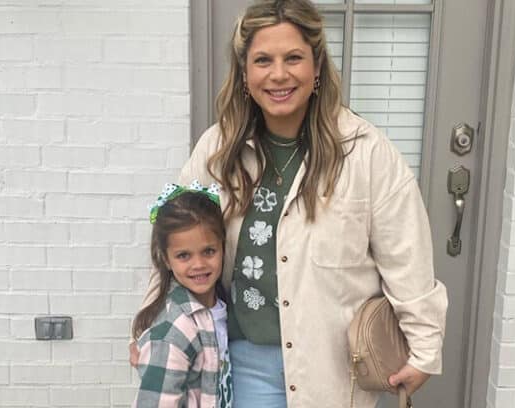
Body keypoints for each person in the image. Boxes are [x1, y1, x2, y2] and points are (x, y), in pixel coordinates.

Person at [133, 0, 448, 406]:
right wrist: (147, 324)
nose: (278, 74)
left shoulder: (366, 153)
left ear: (316, 67)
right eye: (263, 60)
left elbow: (408, 257)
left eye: (293, 58)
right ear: (245, 72)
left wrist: (424, 348)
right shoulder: (218, 148)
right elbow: (174, 237)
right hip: (244, 362)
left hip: (333, 367)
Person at [131, 183, 233, 408]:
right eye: (184, 256)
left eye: (209, 251)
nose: (199, 264)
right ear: (166, 260)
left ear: (223, 248)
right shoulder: (172, 331)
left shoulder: (221, 307)